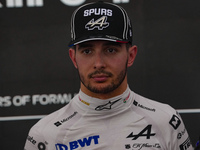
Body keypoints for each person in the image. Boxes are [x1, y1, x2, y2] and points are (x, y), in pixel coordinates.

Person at [24, 1, 194, 150]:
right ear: (73, 57)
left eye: (110, 50)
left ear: (131, 55)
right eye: (87, 51)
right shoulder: (44, 135)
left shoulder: (166, 120)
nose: (98, 63)